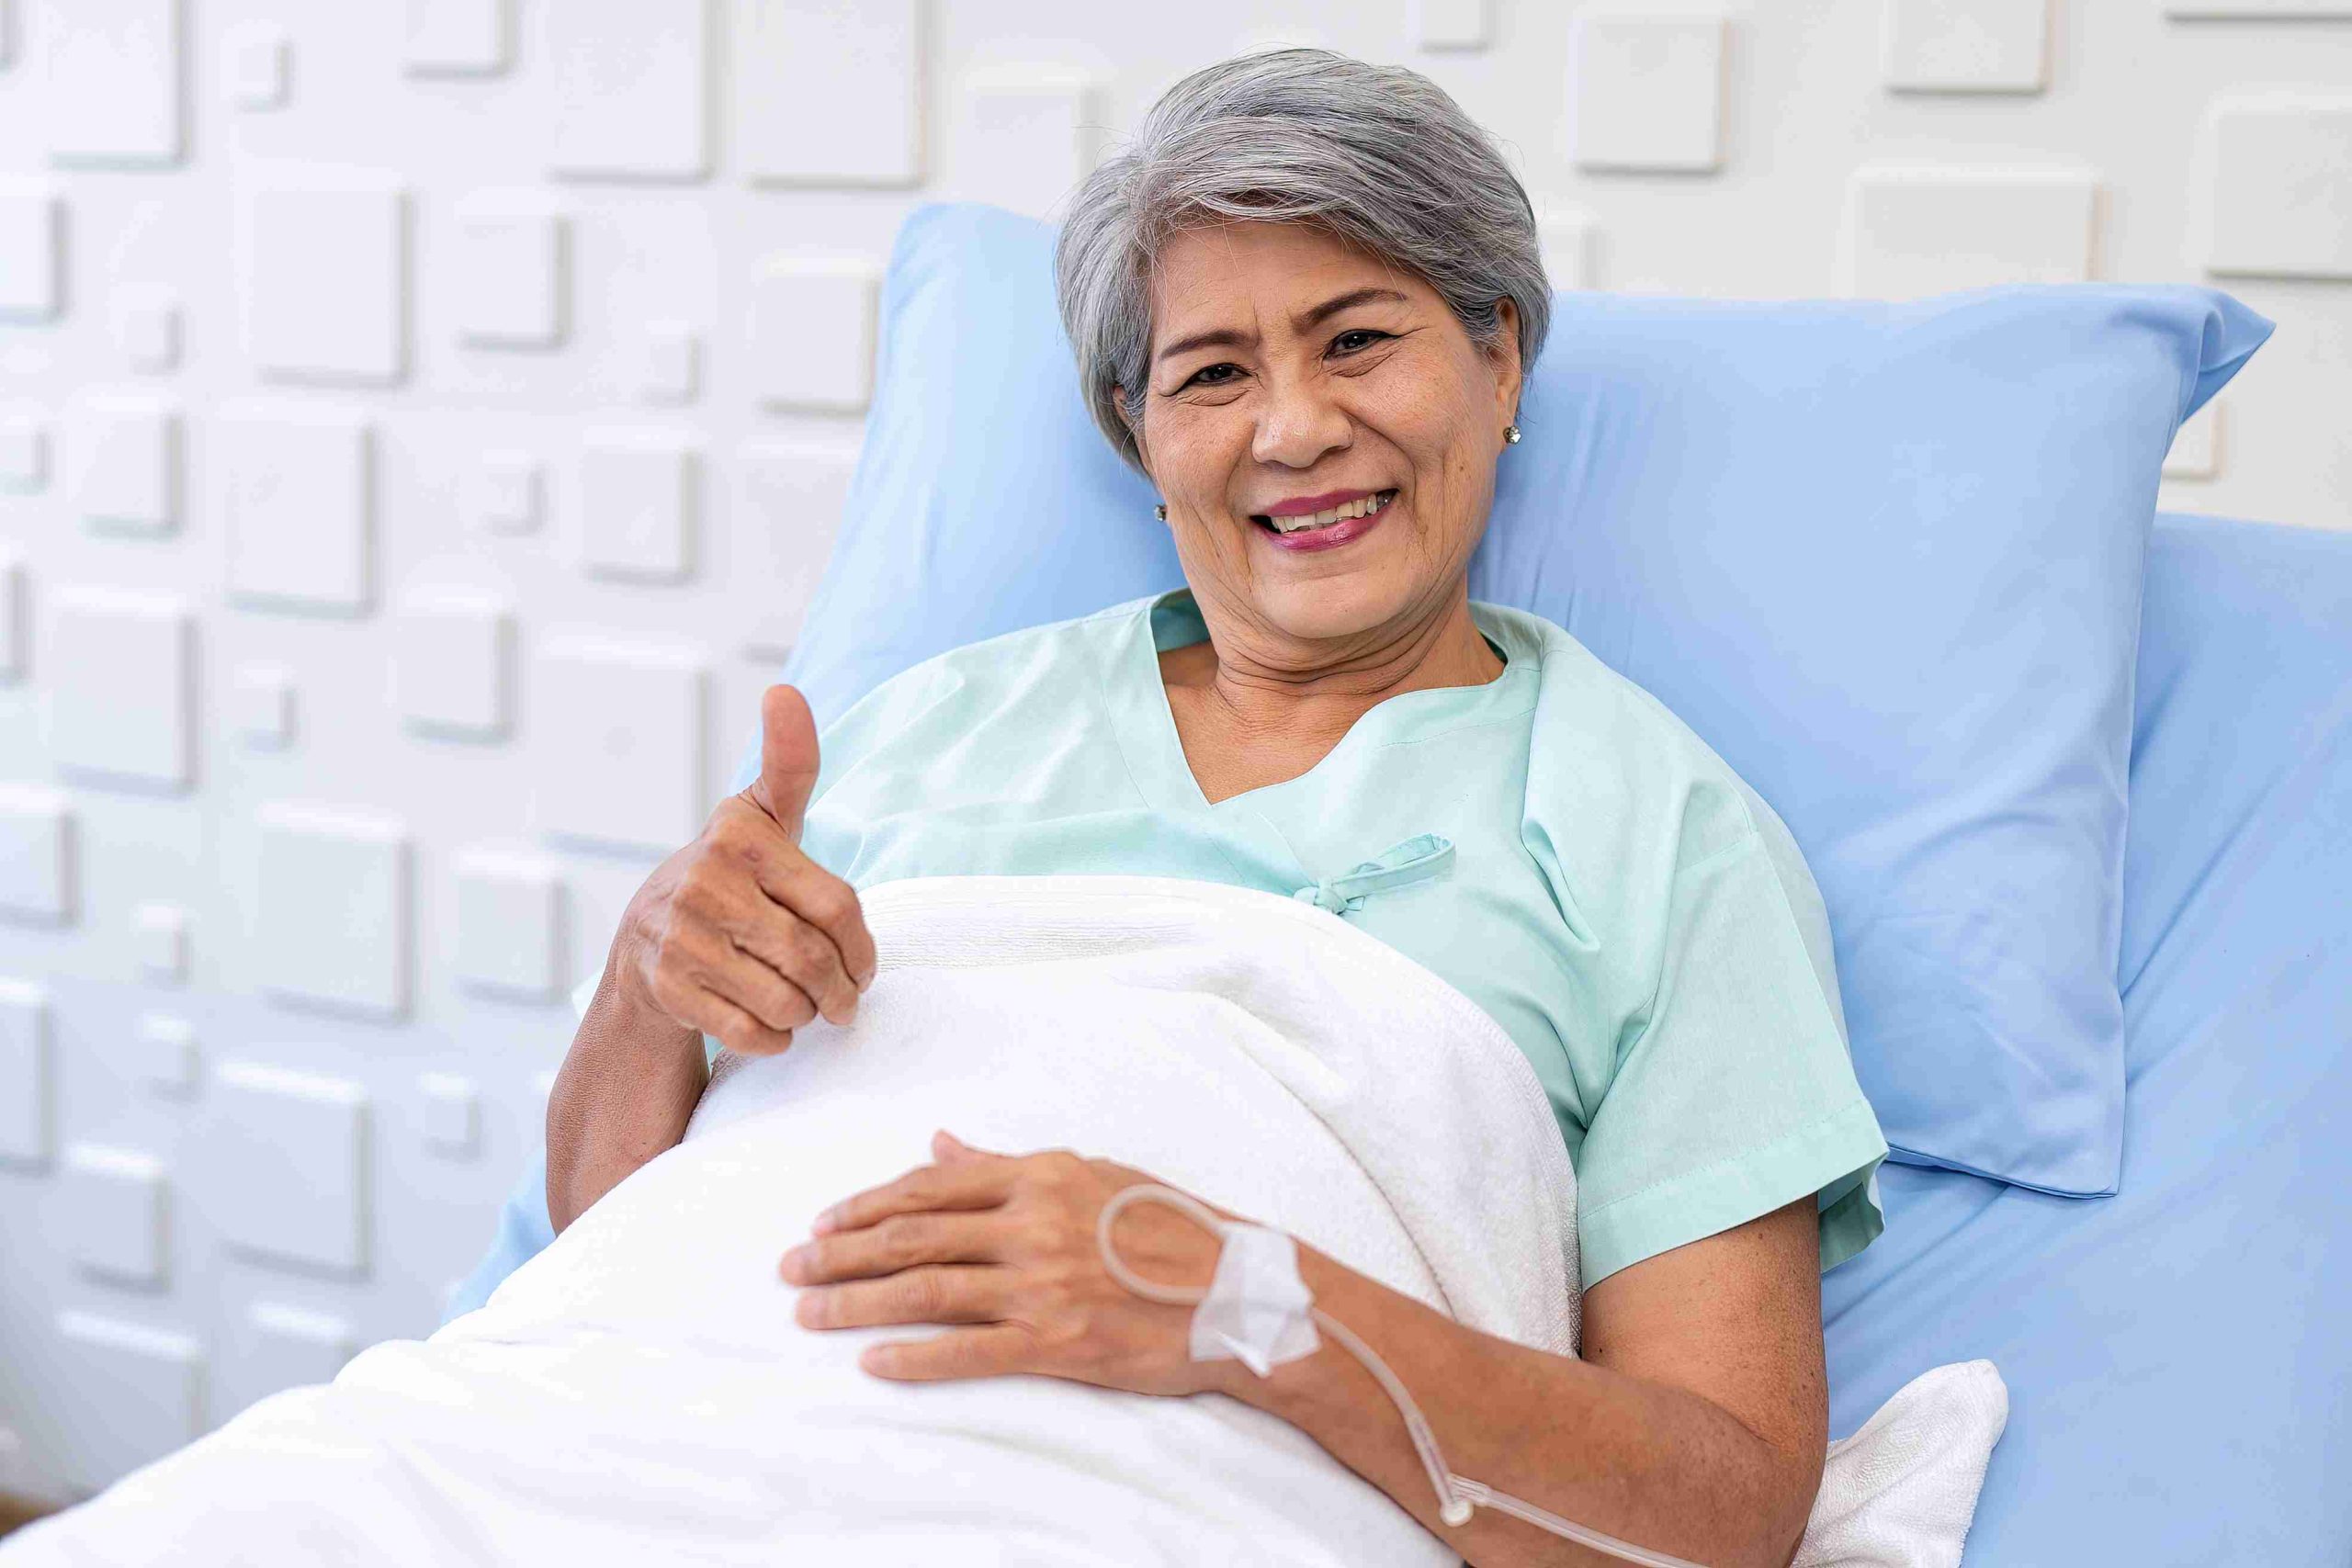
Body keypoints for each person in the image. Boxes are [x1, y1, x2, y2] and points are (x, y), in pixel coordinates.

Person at [537, 48, 1888, 1568]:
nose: (1294, 429)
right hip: (665, 1453)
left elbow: (1722, 1510)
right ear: (1140, 434)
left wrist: (1245, 1303)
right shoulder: (924, 737)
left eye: (1357, 339)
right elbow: (615, 1255)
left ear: (1500, 362)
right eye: (1213, 373)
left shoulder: (1658, 836)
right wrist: (648, 985)